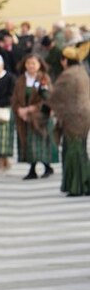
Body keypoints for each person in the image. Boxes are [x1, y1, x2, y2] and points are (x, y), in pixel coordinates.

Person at [13, 54, 57, 180]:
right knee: (28, 143)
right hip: (24, 117)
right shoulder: (21, 80)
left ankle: (45, 167)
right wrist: (19, 110)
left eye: (33, 63)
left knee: (39, 143)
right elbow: (15, 98)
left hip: (40, 117)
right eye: (28, 63)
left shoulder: (43, 79)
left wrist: (31, 109)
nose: (30, 66)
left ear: (39, 65)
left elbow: (47, 98)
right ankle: (34, 169)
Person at [56, 44, 90, 197]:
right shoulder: (82, 71)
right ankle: (85, 183)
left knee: (73, 151)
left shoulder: (69, 74)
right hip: (83, 116)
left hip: (73, 118)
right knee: (80, 150)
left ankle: (77, 186)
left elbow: (56, 95)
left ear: (65, 60)